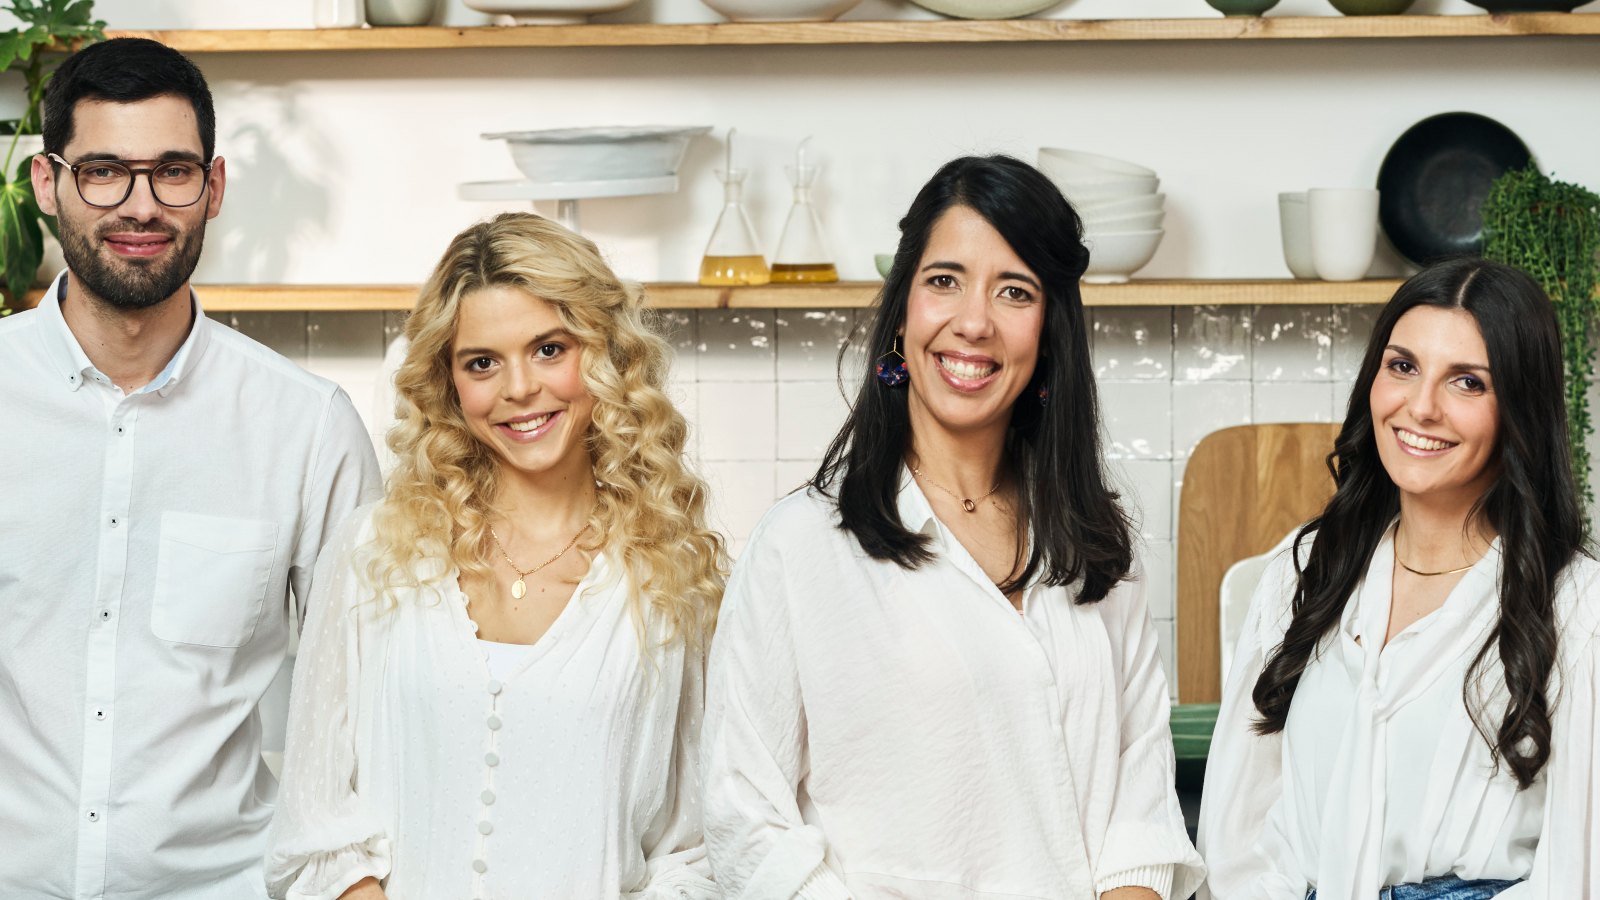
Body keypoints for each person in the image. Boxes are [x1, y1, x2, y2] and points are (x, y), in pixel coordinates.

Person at [700, 155, 1204, 900]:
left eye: (1015, 291)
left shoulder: (1096, 542)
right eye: (944, 280)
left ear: (1050, 330)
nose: (974, 321)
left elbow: (1141, 795)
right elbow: (744, 816)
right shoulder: (800, 545)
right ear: (903, 309)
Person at [0, 38, 382, 898]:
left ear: (213, 188)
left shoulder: (308, 428)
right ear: (46, 183)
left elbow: (367, 704)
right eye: (103, 171)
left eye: (171, 172)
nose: (140, 207)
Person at [265, 212, 725, 899]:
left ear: (606, 354)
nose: (519, 389)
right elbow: (314, 824)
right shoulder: (373, 553)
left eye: (549, 349)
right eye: (482, 363)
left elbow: (695, 850)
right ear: (448, 382)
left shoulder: (672, 578)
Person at [1198, 258, 1600, 899]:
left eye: (1468, 382)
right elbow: (1238, 831)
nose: (1421, 407)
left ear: (1520, 410)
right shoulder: (1305, 571)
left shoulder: (1578, 609)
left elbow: (1578, 875)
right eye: (1403, 366)